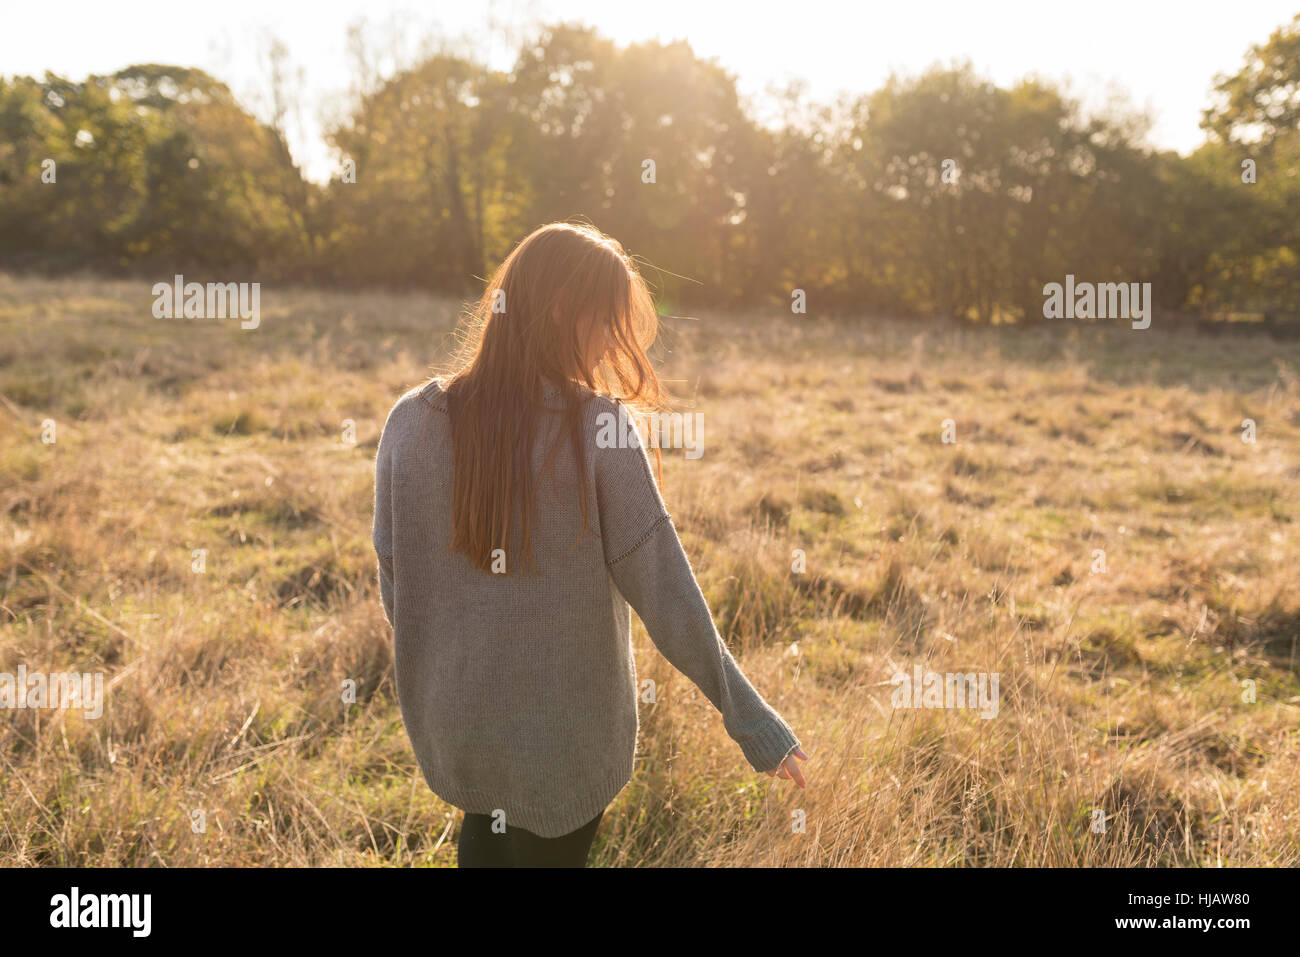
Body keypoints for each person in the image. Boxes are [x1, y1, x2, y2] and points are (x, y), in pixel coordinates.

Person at [372, 221, 808, 868]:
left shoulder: (411, 418)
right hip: (566, 751)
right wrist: (752, 721)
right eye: (605, 319)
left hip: (462, 732)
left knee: (481, 839)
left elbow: (394, 574)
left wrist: (450, 678)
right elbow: (665, 590)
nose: (612, 340)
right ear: (560, 312)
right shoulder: (597, 429)